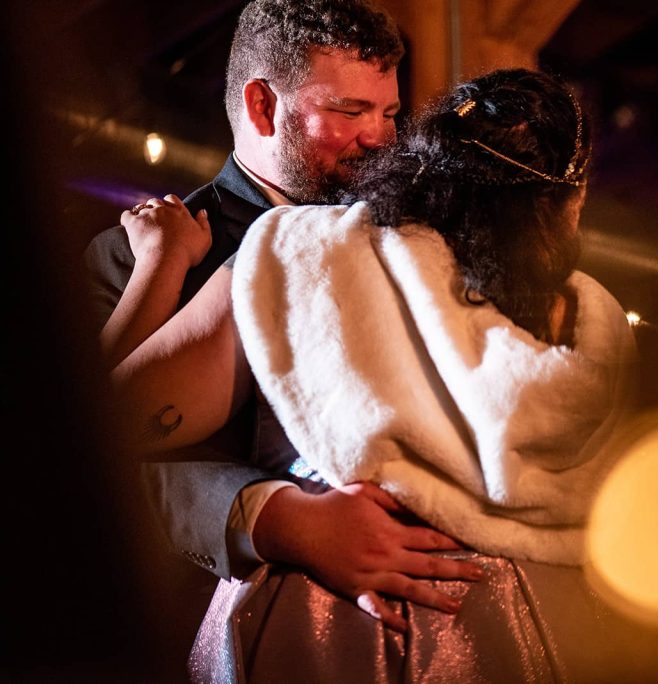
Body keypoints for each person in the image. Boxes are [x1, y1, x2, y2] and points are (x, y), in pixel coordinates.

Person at [112, 68, 636, 681]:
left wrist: (272, 512)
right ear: (567, 202)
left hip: (329, 622)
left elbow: (107, 421)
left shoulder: (304, 251)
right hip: (546, 627)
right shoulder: (593, 324)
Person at [84, 0, 483, 640]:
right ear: (264, 107)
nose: (380, 137)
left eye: (388, 113)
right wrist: (278, 517)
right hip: (216, 637)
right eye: (348, 111)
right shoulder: (128, 261)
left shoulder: (409, 240)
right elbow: (91, 470)